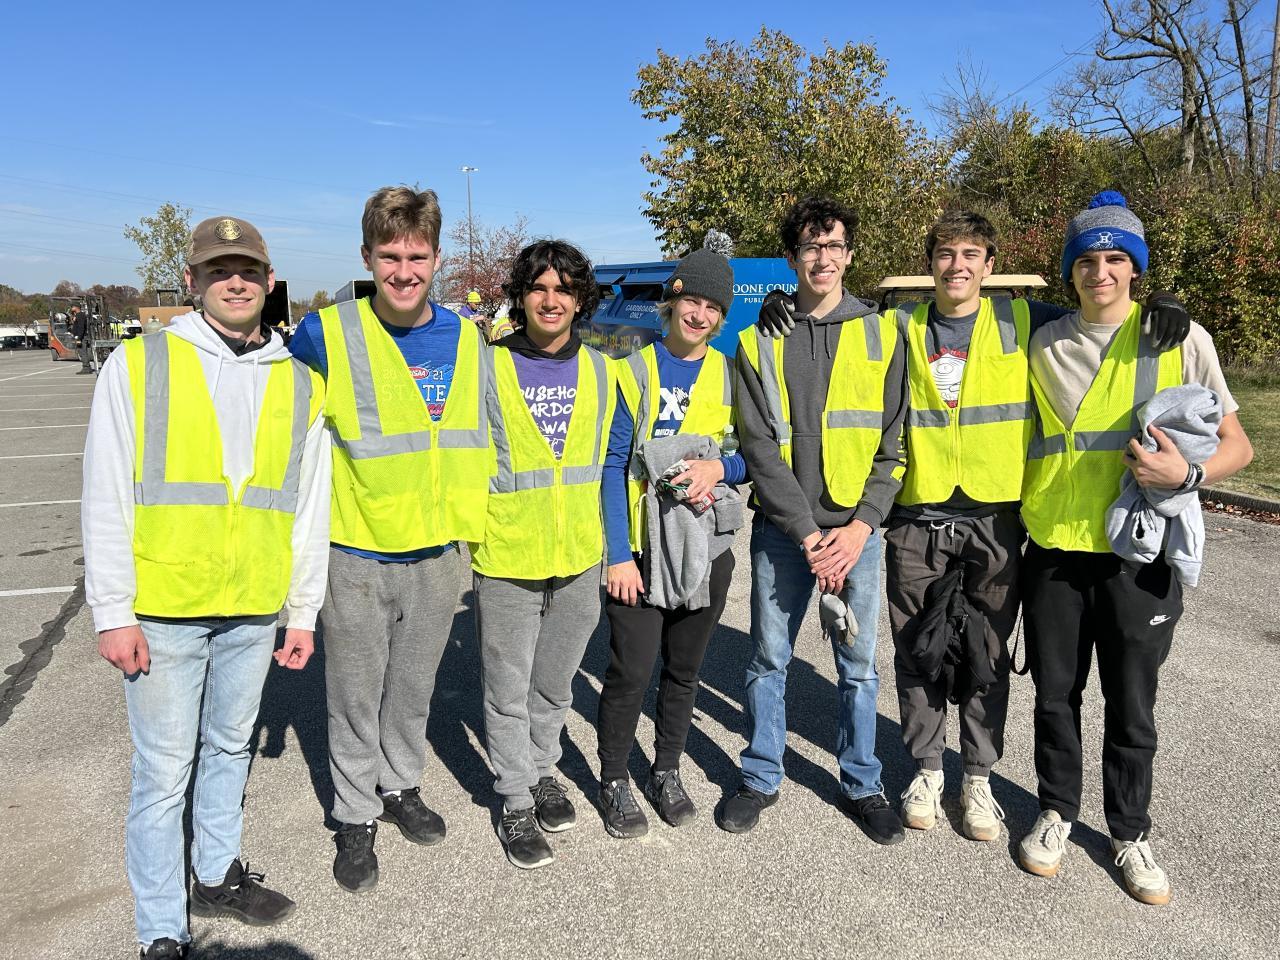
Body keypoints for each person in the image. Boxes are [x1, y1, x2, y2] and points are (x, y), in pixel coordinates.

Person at [83, 216, 331, 960]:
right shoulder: (138, 364)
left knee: (229, 747)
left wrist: (302, 611)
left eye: (248, 270)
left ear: (269, 281)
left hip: (254, 607)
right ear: (192, 280)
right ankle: (162, 926)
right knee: (163, 774)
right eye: (220, 270)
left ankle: (217, 874)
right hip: (163, 609)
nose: (235, 282)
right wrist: (111, 611)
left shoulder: (300, 382)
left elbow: (308, 507)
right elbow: (105, 491)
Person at [1016, 191, 1252, 905]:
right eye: (1087, 260)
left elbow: (1238, 445)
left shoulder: (1181, 338)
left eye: (1117, 258)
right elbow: (956, 306)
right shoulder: (1042, 339)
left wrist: (1187, 476)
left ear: (1136, 268)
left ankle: (1129, 832)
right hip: (1056, 547)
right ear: (1069, 270)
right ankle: (1056, 812)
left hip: (1139, 556)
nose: (1102, 272)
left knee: (1132, 703)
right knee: (1055, 697)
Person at [289, 186, 490, 894]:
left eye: (417, 257)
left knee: (411, 688)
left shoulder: (468, 338)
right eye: (389, 257)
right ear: (367, 257)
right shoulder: (324, 334)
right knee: (353, 694)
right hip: (357, 552)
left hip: (438, 553)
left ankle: (400, 784)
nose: (404, 271)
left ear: (437, 258)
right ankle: (354, 814)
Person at [724, 196, 908, 845]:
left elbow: (896, 444)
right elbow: (757, 448)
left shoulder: (884, 334)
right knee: (768, 659)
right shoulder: (756, 340)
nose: (822, 257)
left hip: (857, 536)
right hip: (785, 535)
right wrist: (807, 535)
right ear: (792, 257)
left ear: (850, 255)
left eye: (833, 245)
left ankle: (862, 782)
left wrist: (858, 530)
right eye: (811, 246)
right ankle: (760, 774)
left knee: (858, 667)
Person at [470, 239, 616, 869]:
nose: (550, 300)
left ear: (580, 300)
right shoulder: (487, 367)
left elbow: (614, 462)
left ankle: (542, 771)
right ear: (521, 297)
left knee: (554, 685)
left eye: (563, 289)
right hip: (507, 552)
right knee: (507, 689)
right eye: (538, 288)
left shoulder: (604, 371)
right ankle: (514, 799)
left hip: (579, 554)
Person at [594, 249, 747, 838]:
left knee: (684, 671)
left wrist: (721, 468)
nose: (699, 315)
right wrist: (618, 555)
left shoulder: (731, 374)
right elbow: (612, 467)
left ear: (721, 316)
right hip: (640, 550)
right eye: (692, 301)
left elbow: (753, 456)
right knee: (631, 671)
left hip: (705, 549)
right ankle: (614, 778)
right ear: (672, 302)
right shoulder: (633, 371)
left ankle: (665, 769)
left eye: (712, 307)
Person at [70, 304, 93, 373]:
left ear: (76, 307)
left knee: (82, 352)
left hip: (81, 337)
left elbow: (81, 327)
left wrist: (79, 338)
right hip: (80, 336)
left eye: (72, 306)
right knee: (82, 352)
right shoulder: (77, 315)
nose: (71, 308)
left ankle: (86, 368)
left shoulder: (80, 315)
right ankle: (87, 367)